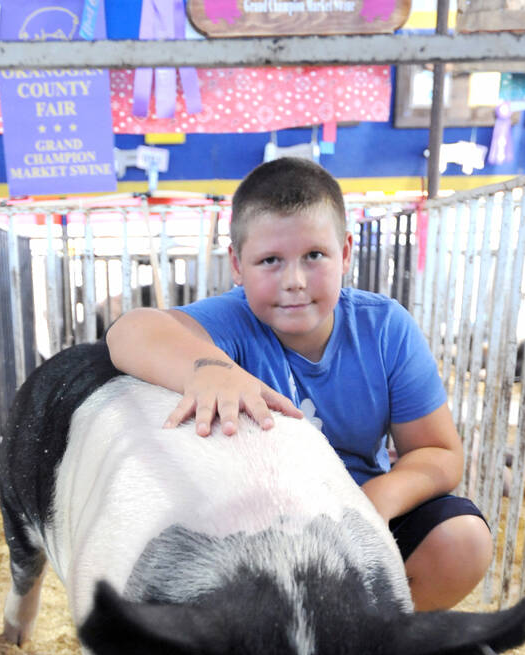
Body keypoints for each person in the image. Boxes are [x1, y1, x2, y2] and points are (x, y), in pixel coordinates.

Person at [105, 157, 493, 612]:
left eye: (314, 256)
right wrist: (209, 369)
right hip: (256, 532)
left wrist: (370, 504)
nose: (294, 282)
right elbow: (128, 331)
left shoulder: (385, 327)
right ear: (236, 264)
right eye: (270, 261)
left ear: (345, 253)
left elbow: (440, 453)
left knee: (462, 540)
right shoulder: (231, 322)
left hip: (364, 517)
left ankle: (367, 654)